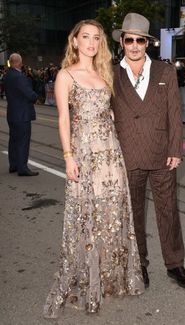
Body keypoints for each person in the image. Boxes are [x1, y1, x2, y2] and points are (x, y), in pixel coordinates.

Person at [43, 19, 144, 319]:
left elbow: (108, 111)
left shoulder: (104, 74)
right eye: (84, 37)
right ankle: (88, 277)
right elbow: (64, 118)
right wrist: (68, 156)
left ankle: (111, 276)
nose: (90, 42)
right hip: (85, 153)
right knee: (87, 213)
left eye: (95, 38)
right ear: (74, 41)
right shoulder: (66, 75)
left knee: (112, 212)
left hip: (110, 152)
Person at [111, 13, 185, 289]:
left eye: (141, 40)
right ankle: (139, 264)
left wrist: (175, 149)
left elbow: (175, 113)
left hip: (162, 155)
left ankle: (175, 264)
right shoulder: (111, 74)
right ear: (122, 42)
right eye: (130, 39)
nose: (135, 45)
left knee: (169, 210)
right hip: (128, 155)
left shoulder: (165, 71)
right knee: (133, 214)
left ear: (148, 43)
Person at [4, 53, 39, 176]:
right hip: (22, 114)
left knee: (13, 140)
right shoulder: (19, 77)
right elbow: (29, 94)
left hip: (12, 113)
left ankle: (13, 165)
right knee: (23, 141)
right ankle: (22, 168)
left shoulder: (7, 75)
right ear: (18, 62)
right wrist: (35, 96)